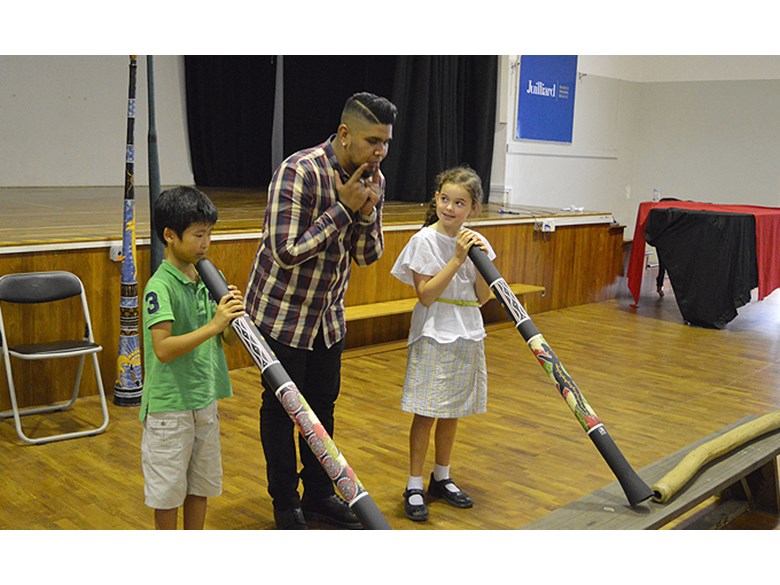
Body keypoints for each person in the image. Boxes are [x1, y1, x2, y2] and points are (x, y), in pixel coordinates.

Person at [245, 92, 397, 530]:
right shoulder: (299, 171)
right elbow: (285, 251)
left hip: (327, 319)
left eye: (386, 142)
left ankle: (318, 496)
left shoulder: (375, 179)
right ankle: (284, 504)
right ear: (345, 134)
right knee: (281, 412)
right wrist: (343, 210)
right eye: (373, 141)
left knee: (322, 408)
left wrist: (365, 214)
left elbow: (368, 256)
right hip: (280, 315)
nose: (381, 152)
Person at [390, 166, 495, 522]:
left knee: (453, 409)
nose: (450, 208)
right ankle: (414, 482)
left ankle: (443, 476)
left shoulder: (476, 241)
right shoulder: (423, 240)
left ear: (473, 208)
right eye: (445, 200)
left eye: (460, 203)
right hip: (434, 331)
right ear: (436, 199)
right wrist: (457, 260)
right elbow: (425, 295)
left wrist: (478, 262)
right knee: (427, 409)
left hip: (467, 331)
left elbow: (482, 298)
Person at [140, 186, 245, 530]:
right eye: (198, 235)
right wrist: (214, 325)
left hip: (204, 398)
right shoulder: (160, 286)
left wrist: (231, 319)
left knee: (200, 487)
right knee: (168, 493)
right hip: (170, 406)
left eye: (209, 234)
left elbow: (226, 340)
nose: (206, 243)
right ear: (169, 236)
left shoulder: (205, 279)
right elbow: (164, 348)